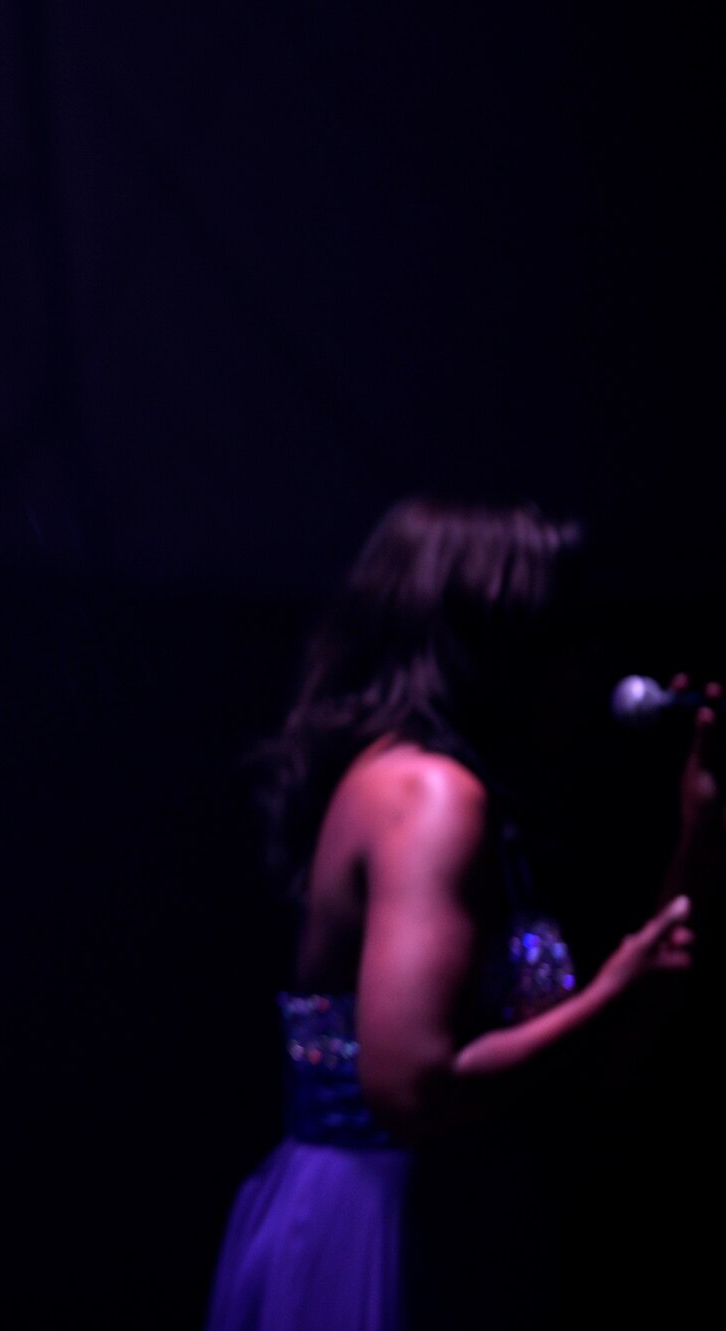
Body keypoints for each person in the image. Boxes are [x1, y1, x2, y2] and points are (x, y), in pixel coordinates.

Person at [201, 496, 720, 1331]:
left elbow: (589, 1058)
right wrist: (616, 989)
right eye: (567, 635)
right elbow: (411, 1085)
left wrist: (699, 832)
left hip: (456, 1218)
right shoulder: (431, 795)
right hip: (388, 1228)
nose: (591, 666)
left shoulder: (455, 793)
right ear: (503, 645)